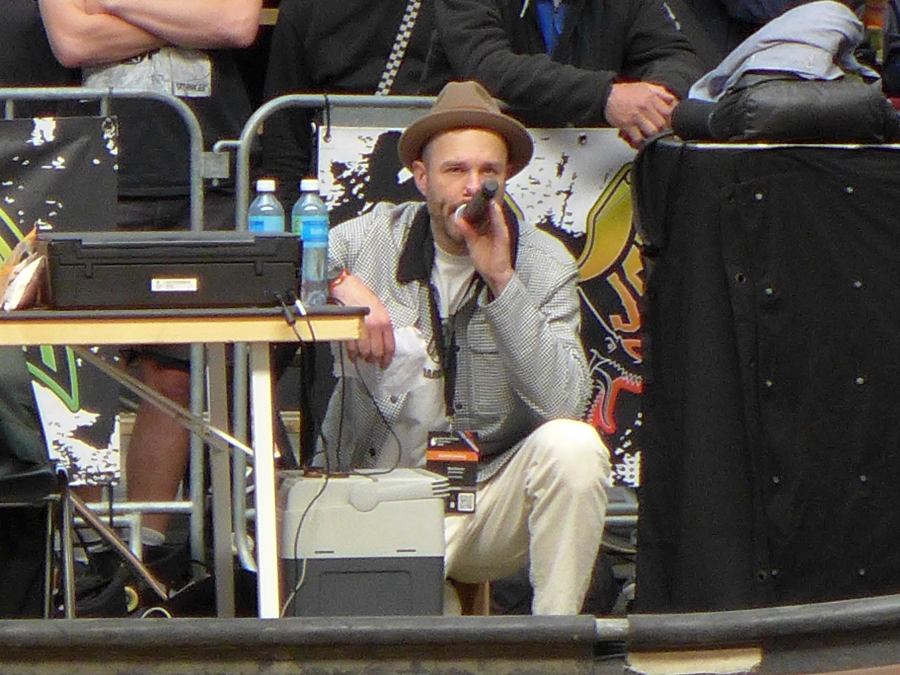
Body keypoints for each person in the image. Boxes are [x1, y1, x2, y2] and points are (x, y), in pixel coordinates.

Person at [320, 80, 612, 614]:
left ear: (507, 179)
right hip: (375, 497)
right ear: (421, 176)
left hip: (482, 499)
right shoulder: (370, 238)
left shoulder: (545, 262)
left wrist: (503, 281)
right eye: (455, 170)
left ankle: (555, 642)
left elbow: (566, 403)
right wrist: (339, 283)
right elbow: (283, 258)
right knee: (425, 637)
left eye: (488, 172)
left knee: (575, 448)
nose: (472, 187)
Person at [38, 0, 261, 567]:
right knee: (84, 378)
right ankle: (88, 553)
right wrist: (185, 20)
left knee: (176, 374)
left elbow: (235, 24)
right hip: (95, 160)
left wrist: (112, 3)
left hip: (207, 166)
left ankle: (146, 558)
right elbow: (73, 41)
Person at [428, 0, 707, 148]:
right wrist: (605, 97)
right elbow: (487, 65)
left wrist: (654, 102)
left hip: (590, 180)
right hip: (473, 163)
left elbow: (677, 57)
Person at [260, 0, 451, 206]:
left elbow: (285, 140)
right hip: (329, 204)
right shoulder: (305, 8)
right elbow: (284, 140)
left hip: (436, 189)